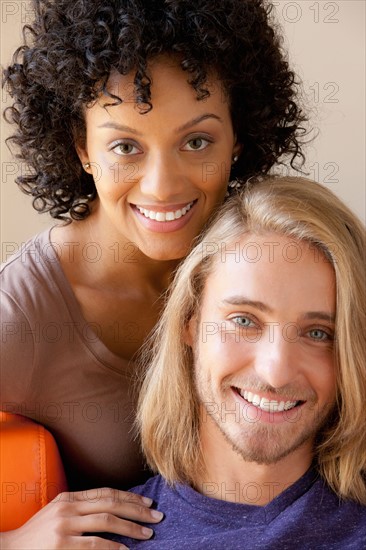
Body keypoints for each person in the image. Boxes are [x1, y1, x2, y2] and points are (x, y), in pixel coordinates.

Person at [1, 0, 306, 546]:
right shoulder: (23, 312)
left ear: (237, 138)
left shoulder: (268, 258)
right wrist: (15, 542)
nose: (163, 186)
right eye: (125, 146)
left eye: (196, 141)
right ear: (81, 148)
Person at [105, 177, 366, 548]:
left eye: (319, 333)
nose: (275, 371)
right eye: (244, 320)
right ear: (189, 320)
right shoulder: (101, 539)